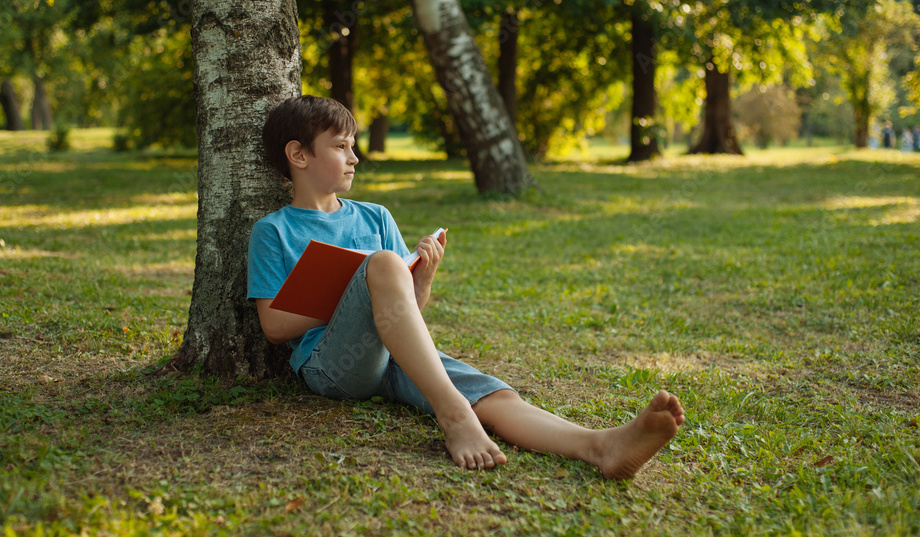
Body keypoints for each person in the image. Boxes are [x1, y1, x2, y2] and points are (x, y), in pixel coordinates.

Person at [247, 96, 684, 476]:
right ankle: (453, 415)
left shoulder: (375, 216)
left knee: (491, 393)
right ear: (299, 155)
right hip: (334, 364)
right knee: (382, 265)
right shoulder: (275, 231)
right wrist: (355, 292)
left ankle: (601, 447)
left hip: (395, 355)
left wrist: (424, 274)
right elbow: (273, 325)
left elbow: (409, 312)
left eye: (353, 146)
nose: (354, 157)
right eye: (341, 147)